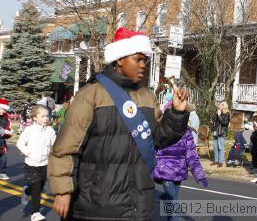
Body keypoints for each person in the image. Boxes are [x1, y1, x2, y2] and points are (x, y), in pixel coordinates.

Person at [48, 27, 189, 220]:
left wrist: (177, 113)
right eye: (138, 59)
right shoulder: (91, 94)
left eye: (145, 60)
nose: (143, 65)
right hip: (97, 205)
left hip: (139, 207)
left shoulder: (147, 97)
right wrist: (63, 191)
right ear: (120, 59)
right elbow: (66, 148)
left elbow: (159, 138)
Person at [152, 128, 208, 221]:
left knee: (171, 200)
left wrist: (199, 174)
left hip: (179, 172)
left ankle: (161, 198)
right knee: (173, 201)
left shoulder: (186, 132)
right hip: (165, 171)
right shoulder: (160, 128)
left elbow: (191, 155)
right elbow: (152, 150)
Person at [17, 105, 56, 221]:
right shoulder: (29, 130)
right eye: (43, 116)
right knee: (37, 188)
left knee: (40, 185)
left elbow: (56, 144)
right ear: (34, 117)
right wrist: (28, 152)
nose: (46, 118)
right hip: (31, 164)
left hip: (45, 163)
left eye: (47, 116)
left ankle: (27, 190)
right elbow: (20, 143)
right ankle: (35, 213)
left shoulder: (50, 131)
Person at [0, 98, 13, 180]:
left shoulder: (7, 119)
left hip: (1, 141)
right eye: (1, 109)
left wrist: (5, 131)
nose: (2, 111)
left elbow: (11, 131)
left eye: (4, 109)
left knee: (3, 157)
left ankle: (2, 173)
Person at [211, 100, 230, 167]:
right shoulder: (218, 113)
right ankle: (216, 161)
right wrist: (216, 114)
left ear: (224, 106)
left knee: (220, 147)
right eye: (219, 105)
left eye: (221, 105)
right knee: (215, 147)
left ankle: (220, 162)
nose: (219, 106)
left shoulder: (227, 114)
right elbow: (213, 120)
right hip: (215, 132)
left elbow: (225, 123)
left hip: (222, 133)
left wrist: (219, 116)